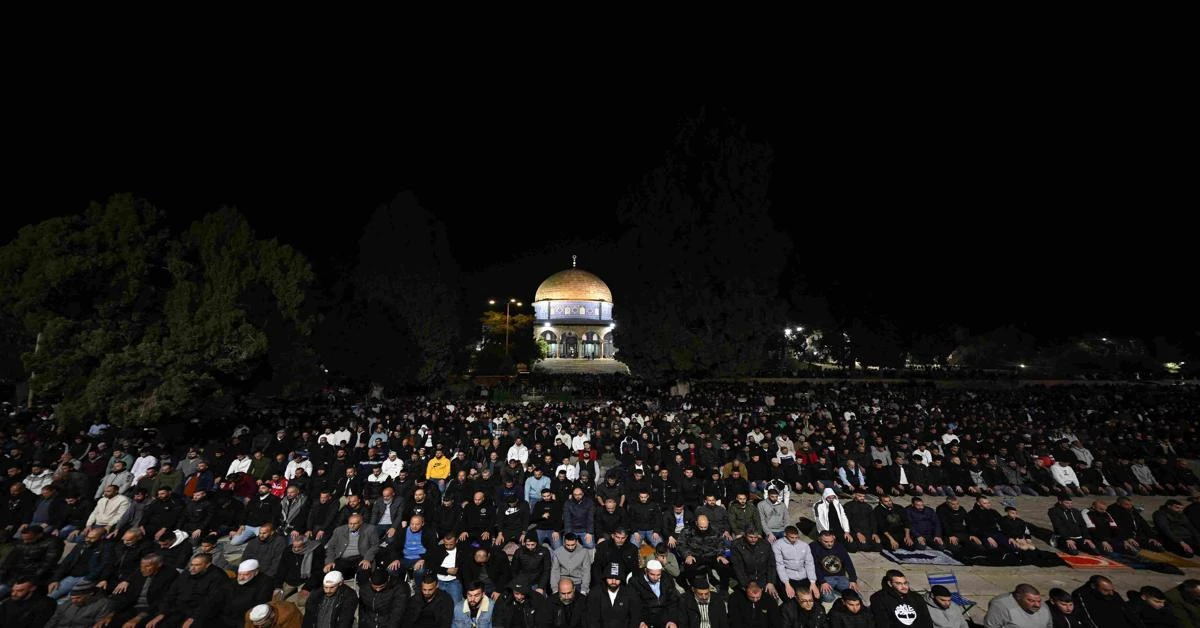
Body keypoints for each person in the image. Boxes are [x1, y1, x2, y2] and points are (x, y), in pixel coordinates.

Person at [99, 553, 178, 628]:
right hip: (133, 607)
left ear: (159, 565)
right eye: (141, 566)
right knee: (108, 623)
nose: (143, 569)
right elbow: (128, 596)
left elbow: (162, 600)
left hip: (152, 610)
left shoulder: (170, 575)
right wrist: (112, 614)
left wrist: (139, 617)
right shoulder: (138, 573)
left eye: (147, 566)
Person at [585, 562, 641, 628]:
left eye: (617, 578)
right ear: (605, 577)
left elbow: (635, 618)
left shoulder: (630, 593)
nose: (614, 581)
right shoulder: (595, 593)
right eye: (610, 577)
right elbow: (592, 619)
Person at [810, 529, 859, 604]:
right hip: (825, 578)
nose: (829, 544)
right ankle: (833, 590)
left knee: (855, 595)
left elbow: (848, 562)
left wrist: (853, 579)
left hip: (840, 577)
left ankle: (836, 590)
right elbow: (814, 566)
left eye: (831, 541)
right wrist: (822, 582)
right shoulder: (813, 547)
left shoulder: (839, 546)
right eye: (826, 542)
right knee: (828, 598)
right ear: (819, 539)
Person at [630, 558, 681, 628]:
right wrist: (640, 622)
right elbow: (634, 605)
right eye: (652, 574)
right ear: (646, 571)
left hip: (665, 616)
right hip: (646, 618)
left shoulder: (667, 579)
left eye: (658, 575)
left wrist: (672, 620)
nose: (655, 578)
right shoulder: (635, 582)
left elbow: (673, 601)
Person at [1072, 575, 1136, 628]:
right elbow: (1087, 618)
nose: (1111, 593)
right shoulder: (1081, 595)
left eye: (1112, 590)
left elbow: (1128, 611)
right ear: (1093, 586)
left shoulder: (1112, 594)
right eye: (1106, 590)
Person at [985, 584, 1052, 628]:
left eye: (1039, 601)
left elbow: (1049, 625)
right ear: (1018, 597)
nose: (1037, 605)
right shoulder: (1000, 605)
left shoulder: (1043, 607)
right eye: (1031, 601)